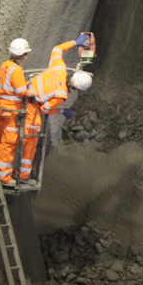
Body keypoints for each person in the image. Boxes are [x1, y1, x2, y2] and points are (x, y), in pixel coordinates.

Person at [19, 34, 93, 184]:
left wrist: (74, 42)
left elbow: (57, 49)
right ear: (77, 88)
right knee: (30, 142)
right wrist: (61, 111)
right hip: (30, 107)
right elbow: (45, 109)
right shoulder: (61, 95)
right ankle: (23, 176)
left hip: (24, 89)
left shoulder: (60, 68)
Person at [0, 38, 33, 185]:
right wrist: (31, 93)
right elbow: (21, 92)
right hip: (11, 111)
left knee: (2, 141)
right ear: (23, 55)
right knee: (9, 144)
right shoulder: (16, 69)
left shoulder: (5, 65)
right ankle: (4, 178)